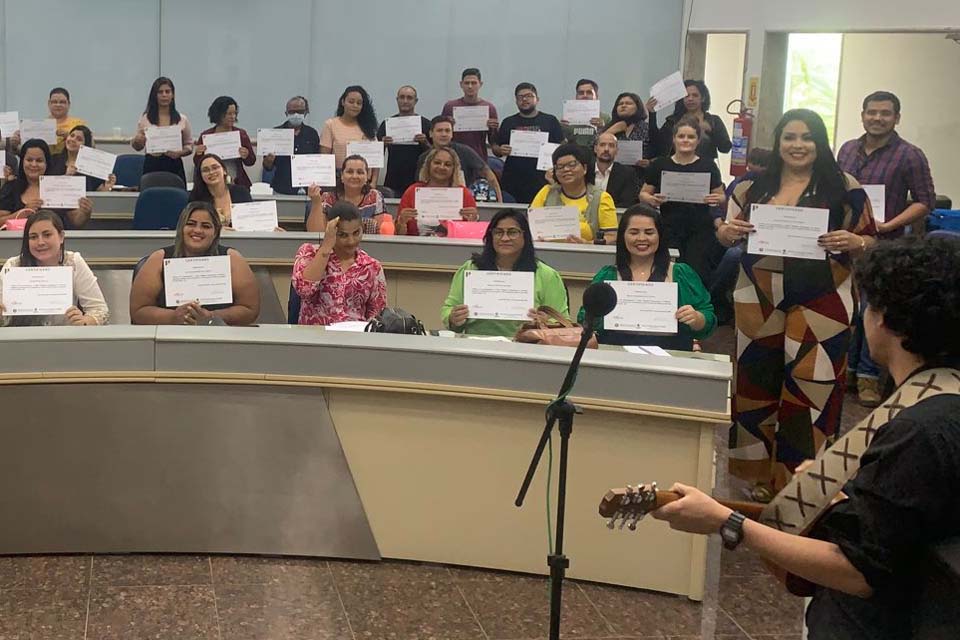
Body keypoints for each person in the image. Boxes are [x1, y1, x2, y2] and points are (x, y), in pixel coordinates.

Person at [649, 235, 960, 640]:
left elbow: (857, 571)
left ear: (883, 319)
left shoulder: (917, 429)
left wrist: (727, 521)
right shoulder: (939, 400)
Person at [717, 108, 877, 497]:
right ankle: (758, 478)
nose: (798, 145)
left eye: (807, 137)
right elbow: (724, 232)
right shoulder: (750, 186)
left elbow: (871, 239)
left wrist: (855, 242)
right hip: (758, 296)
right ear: (778, 143)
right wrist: (728, 232)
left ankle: (800, 482)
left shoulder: (845, 186)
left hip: (823, 298)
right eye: (790, 137)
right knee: (756, 386)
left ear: (820, 143)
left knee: (812, 389)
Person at [837, 91, 937, 408]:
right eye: (872, 112)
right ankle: (846, 371)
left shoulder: (910, 155)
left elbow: (925, 201)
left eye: (885, 113)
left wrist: (889, 223)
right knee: (847, 307)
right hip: (846, 242)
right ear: (862, 115)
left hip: (884, 244)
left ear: (896, 118)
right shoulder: (847, 150)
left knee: (874, 309)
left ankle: (868, 376)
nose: (877, 118)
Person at [579, 204, 715, 350]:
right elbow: (584, 317)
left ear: (660, 236)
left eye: (649, 232)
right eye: (634, 232)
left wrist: (697, 318)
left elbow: (708, 317)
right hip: (615, 352)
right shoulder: (608, 275)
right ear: (623, 236)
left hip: (672, 353)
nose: (641, 238)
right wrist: (599, 317)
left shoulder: (682, 274)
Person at [441, 209, 569, 337]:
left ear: (525, 236)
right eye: (498, 232)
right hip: (476, 342)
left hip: (527, 345)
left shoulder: (547, 275)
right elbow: (449, 309)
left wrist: (546, 323)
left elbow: (563, 323)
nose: (505, 238)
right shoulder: (471, 268)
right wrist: (453, 318)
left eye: (513, 232)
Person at [130, 201, 260, 326]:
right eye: (191, 224)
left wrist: (212, 316)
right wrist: (173, 317)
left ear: (215, 232)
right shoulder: (158, 259)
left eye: (206, 226)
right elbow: (138, 311)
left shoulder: (233, 258)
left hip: (220, 336)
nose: (197, 230)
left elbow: (250, 309)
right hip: (169, 335)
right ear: (181, 228)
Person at [640, 117, 725, 284]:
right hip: (669, 227)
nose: (685, 140)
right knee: (669, 272)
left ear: (698, 140)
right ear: (674, 139)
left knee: (697, 274)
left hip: (700, 230)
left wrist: (716, 198)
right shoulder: (660, 164)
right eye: (681, 136)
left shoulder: (708, 165)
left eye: (691, 137)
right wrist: (652, 199)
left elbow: (721, 196)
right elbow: (643, 194)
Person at [0, 210, 108, 326]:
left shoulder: (73, 262)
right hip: (20, 335)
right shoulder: (13, 266)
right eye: (33, 237)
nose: (40, 242)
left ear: (61, 237)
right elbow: (4, 319)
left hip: (64, 335)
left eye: (47, 235)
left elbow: (100, 310)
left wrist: (85, 321)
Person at [292, 201, 387, 326]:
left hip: (355, 335)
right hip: (316, 334)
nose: (351, 241)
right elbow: (304, 290)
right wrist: (327, 245)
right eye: (343, 235)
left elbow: (377, 317)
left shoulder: (372, 267)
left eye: (356, 233)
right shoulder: (309, 253)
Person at [491, 82, 563, 204]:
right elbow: (496, 149)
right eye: (520, 97)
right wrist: (500, 149)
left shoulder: (550, 121)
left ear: (537, 99)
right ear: (516, 101)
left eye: (529, 96)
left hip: (542, 179)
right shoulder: (508, 122)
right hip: (513, 180)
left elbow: (561, 146)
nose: (524, 99)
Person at [531, 144, 617, 244]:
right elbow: (531, 225)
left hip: (587, 252)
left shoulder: (601, 197)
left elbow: (612, 236)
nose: (566, 169)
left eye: (572, 164)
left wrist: (588, 244)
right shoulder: (546, 192)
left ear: (584, 168)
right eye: (560, 167)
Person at [0, 139, 93, 229]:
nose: (34, 164)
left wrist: (85, 212)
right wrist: (22, 213)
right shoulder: (11, 187)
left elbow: (76, 222)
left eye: (39, 160)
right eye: (29, 160)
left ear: (47, 163)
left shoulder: (60, 185)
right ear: (22, 162)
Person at [417, 116, 502, 201]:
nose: (444, 134)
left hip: (462, 200)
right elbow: (421, 182)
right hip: (432, 200)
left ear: (452, 134)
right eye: (439, 130)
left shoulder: (465, 151)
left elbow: (488, 174)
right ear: (431, 133)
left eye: (447, 131)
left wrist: (500, 201)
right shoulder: (424, 157)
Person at [397, 147, 478, 236]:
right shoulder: (412, 191)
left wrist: (473, 221)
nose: (442, 167)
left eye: (447, 164)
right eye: (437, 163)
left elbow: (472, 235)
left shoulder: (463, 194)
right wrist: (402, 223)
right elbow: (399, 235)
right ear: (428, 165)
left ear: (454, 169)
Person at [306, 155, 394, 235]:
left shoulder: (375, 196)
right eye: (350, 172)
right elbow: (316, 233)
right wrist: (316, 202)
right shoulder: (327, 198)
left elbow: (381, 233)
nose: (354, 176)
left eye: (360, 172)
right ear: (342, 176)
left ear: (367, 177)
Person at [131, 77, 193, 183]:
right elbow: (137, 147)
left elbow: (189, 146)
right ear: (154, 95)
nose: (164, 95)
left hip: (174, 165)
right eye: (160, 92)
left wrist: (180, 153)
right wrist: (138, 140)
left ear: (173, 95)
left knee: (176, 192)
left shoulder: (182, 119)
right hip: (152, 164)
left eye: (167, 91)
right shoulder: (145, 119)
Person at [651, 80, 731, 161]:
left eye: (695, 95)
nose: (690, 99)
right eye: (686, 96)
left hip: (705, 167)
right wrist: (652, 114)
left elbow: (725, 149)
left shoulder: (714, 121)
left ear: (703, 98)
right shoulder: (673, 121)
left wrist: (711, 131)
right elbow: (657, 143)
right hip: (677, 166)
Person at [376, 85, 432, 195]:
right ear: (397, 100)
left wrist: (425, 142)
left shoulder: (426, 124)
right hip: (393, 181)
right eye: (402, 97)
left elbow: (435, 154)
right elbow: (376, 156)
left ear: (416, 101)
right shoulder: (387, 124)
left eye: (409, 98)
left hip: (420, 180)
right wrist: (382, 144)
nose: (405, 101)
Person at [263, 96, 322, 195]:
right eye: (292, 112)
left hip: (308, 189)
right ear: (286, 113)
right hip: (282, 188)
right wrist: (269, 160)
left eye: (300, 111)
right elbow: (267, 167)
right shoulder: (275, 134)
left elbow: (317, 160)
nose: (296, 114)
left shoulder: (312, 134)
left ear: (306, 112)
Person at [194, 96, 256, 188]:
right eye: (229, 114)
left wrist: (246, 155)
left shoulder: (241, 134)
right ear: (219, 114)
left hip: (236, 183)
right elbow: (198, 164)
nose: (233, 117)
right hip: (212, 183)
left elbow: (251, 161)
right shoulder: (206, 135)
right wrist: (198, 154)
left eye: (234, 113)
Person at [320, 86, 379, 181]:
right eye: (351, 102)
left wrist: (374, 182)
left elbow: (376, 159)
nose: (355, 105)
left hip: (363, 180)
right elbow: (324, 157)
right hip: (338, 179)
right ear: (343, 102)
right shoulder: (330, 125)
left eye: (359, 103)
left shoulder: (368, 126)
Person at [441, 68, 499, 162]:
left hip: (479, 158)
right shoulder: (450, 106)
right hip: (454, 158)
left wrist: (493, 128)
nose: (470, 86)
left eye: (474, 83)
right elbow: (441, 135)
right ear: (461, 84)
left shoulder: (489, 108)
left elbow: (494, 142)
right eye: (467, 83)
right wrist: (448, 125)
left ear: (480, 84)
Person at [7, 88, 87, 156]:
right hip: (45, 166)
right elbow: (28, 154)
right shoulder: (38, 126)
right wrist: (15, 145)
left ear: (68, 104)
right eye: (54, 102)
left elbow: (88, 148)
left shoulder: (79, 124)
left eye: (62, 102)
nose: (58, 105)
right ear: (49, 104)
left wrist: (70, 136)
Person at [188, 154, 252, 228]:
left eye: (215, 168)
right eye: (205, 170)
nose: (211, 172)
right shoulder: (196, 197)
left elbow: (250, 220)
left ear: (224, 170)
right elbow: (193, 226)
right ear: (201, 176)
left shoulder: (241, 192)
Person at [49, 125, 117, 191]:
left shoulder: (93, 166)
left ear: (85, 145)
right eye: (72, 136)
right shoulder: (54, 160)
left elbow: (97, 192)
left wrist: (107, 187)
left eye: (79, 139)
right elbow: (47, 186)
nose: (73, 140)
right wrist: (66, 176)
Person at [603, 92, 656, 172]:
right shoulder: (610, 126)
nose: (623, 106)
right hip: (612, 172)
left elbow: (660, 152)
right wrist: (611, 130)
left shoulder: (647, 128)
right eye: (620, 104)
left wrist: (650, 162)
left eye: (628, 103)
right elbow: (594, 146)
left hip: (641, 174)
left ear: (638, 107)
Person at [593, 132, 640, 208]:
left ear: (617, 151)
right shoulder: (584, 171)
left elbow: (628, 203)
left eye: (611, 146)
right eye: (602, 145)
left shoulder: (627, 174)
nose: (606, 149)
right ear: (595, 149)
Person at [561, 79, 610, 149]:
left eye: (589, 92)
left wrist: (602, 128)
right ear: (576, 97)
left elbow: (611, 143)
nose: (585, 96)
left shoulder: (606, 118)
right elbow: (562, 144)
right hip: (574, 154)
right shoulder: (567, 119)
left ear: (596, 96)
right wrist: (562, 129)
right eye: (581, 93)